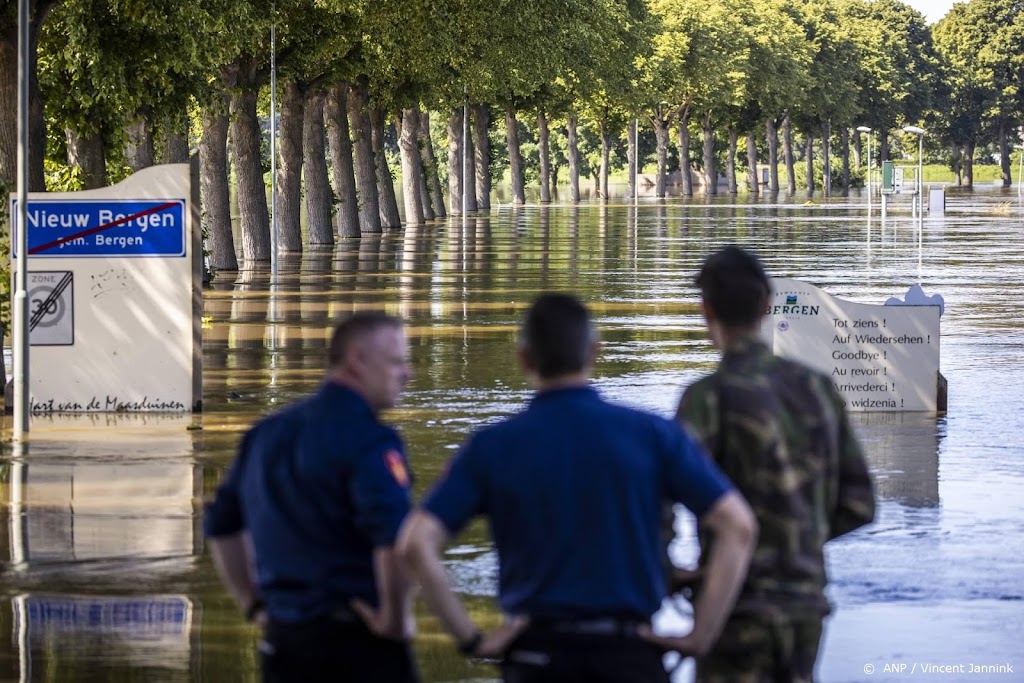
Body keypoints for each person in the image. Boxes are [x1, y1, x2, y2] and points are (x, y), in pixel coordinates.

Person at [399, 293, 758, 683]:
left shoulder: (491, 446)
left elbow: (416, 543)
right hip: (629, 656)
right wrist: (700, 636)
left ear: (524, 358)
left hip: (537, 656)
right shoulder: (653, 435)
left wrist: (471, 640)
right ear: (594, 352)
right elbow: (737, 526)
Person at [649, 246, 876, 682]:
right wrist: (799, 538)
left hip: (731, 607)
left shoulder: (705, 398)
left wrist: (668, 572)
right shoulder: (819, 389)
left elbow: (660, 502)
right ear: (767, 305)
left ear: (706, 309)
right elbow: (859, 505)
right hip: (806, 607)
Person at [204, 312, 420, 683]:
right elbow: (393, 539)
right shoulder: (371, 440)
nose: (407, 374)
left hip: (284, 641)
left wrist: (253, 604)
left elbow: (220, 524)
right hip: (358, 642)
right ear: (357, 360)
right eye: (397, 361)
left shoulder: (265, 434)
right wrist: (395, 619)